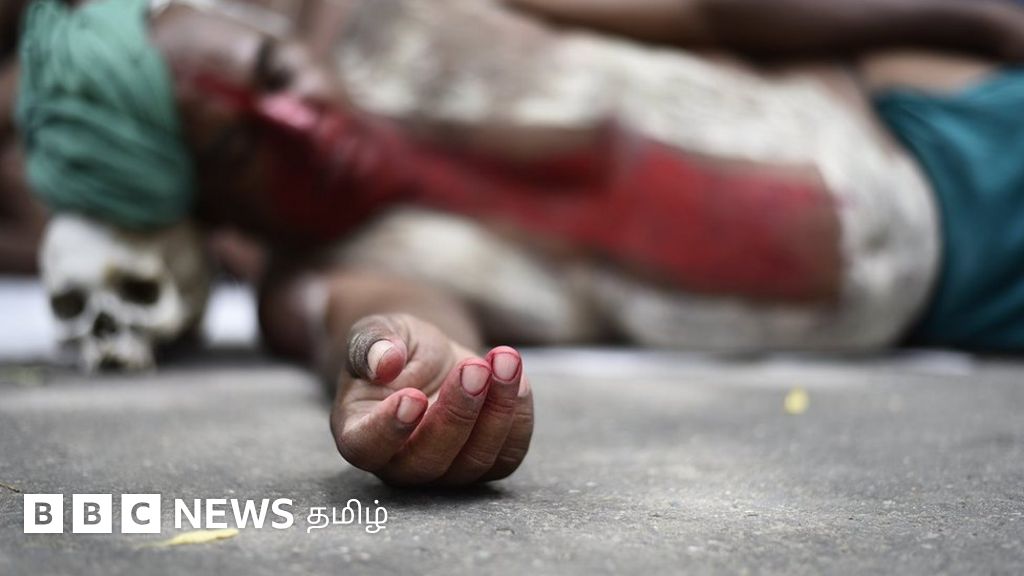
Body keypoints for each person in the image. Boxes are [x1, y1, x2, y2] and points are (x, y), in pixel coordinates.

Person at [11, 0, 1024, 486]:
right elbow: (367, 325)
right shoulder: (314, 272)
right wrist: (411, 367)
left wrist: (980, 19)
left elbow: (711, 12)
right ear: (209, 215)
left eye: (274, 73)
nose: (299, 120)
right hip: (960, 306)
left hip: (947, 144)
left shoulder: (412, 10)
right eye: (241, 150)